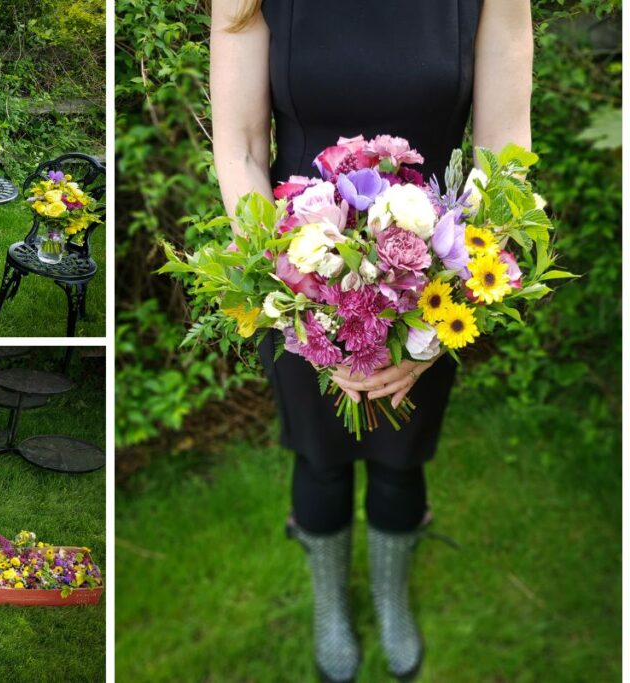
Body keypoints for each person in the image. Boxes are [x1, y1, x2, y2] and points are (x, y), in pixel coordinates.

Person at [209, 1, 532, 681]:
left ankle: (389, 597)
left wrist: (431, 324)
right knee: (321, 456)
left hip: (434, 270)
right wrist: (302, 305)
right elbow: (239, 147)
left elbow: (504, 150)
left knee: (398, 458)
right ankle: (331, 604)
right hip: (293, 269)